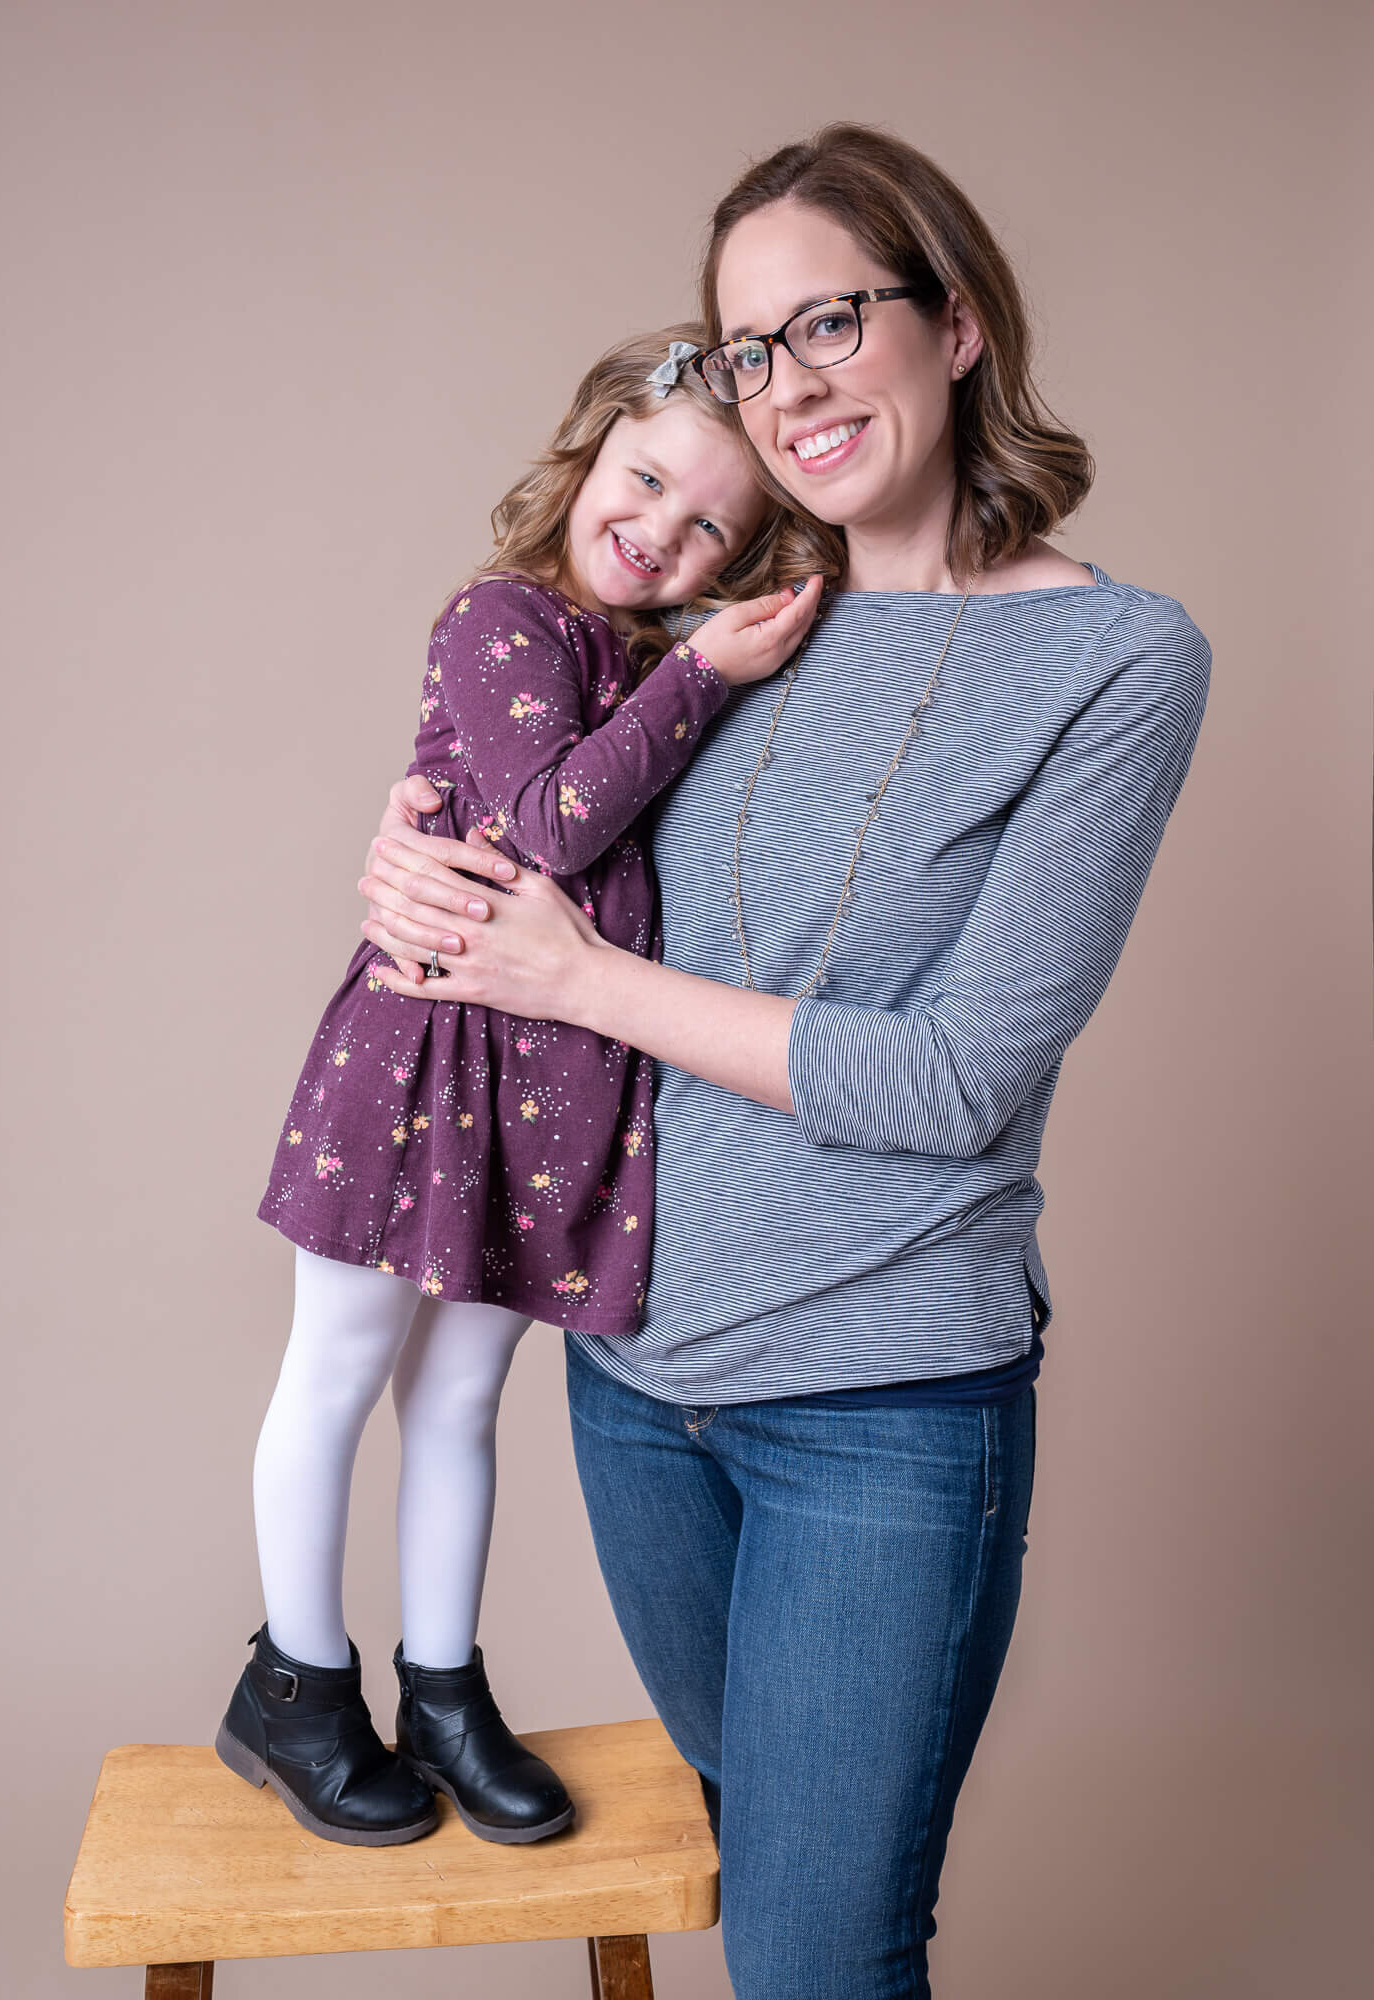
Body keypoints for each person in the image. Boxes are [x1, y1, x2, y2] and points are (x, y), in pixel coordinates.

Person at [357, 125, 1211, 1993]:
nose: (792, 384)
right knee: (760, 1885)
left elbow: (955, 1078)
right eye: (751, 349)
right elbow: (529, 814)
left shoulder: (1118, 660)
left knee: (822, 1957)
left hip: (883, 1407)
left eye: (831, 319)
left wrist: (574, 981)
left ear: (959, 322)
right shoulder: (724, 608)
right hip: (632, 1377)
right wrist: (414, 853)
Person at [218, 322, 823, 1850]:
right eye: (644, 481)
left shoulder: (651, 658)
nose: (660, 530)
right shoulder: (504, 617)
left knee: (465, 1400)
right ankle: (294, 1684)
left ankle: (444, 1692)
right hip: (422, 1052)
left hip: (548, 1092)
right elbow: (554, 824)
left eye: (709, 527)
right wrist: (701, 674)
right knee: (340, 1374)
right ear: (588, 448)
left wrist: (694, 671)